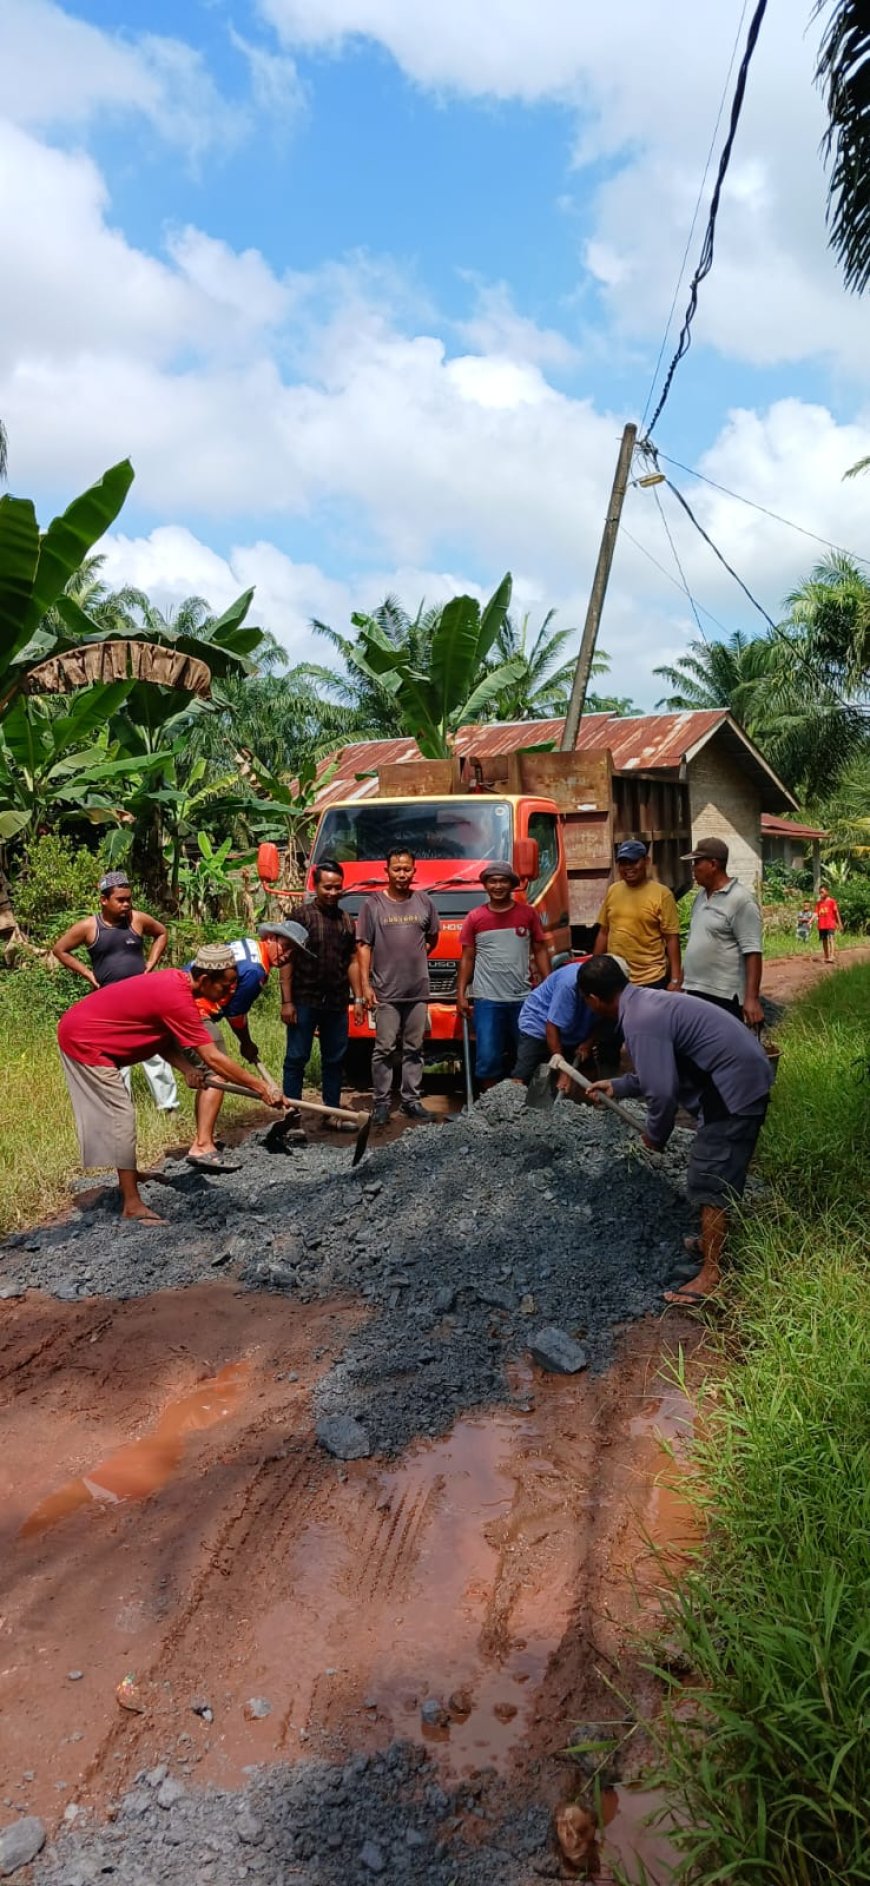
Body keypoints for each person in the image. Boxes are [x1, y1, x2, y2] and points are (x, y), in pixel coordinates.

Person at [579, 955, 774, 1305]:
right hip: (741, 1075)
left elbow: (663, 1092)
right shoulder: (647, 1003)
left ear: (593, 999)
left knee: (709, 1176)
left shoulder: (639, 1020)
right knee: (718, 1168)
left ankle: (712, 1276)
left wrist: (655, 1134)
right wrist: (618, 1086)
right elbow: (658, 1073)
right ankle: (709, 1241)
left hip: (734, 1086)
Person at [56, 945, 287, 1223]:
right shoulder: (177, 998)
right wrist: (262, 1088)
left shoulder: (179, 989)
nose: (229, 993)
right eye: (225, 987)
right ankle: (131, 1204)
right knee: (120, 1117)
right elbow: (213, 1059)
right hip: (84, 1040)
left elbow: (159, 1034)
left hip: (92, 1035)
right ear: (204, 981)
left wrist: (187, 1068)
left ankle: (129, 1174)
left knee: (122, 1116)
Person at [186, 924, 313, 1168]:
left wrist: (247, 1044)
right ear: (270, 937)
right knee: (217, 1074)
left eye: (292, 953)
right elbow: (235, 1014)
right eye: (285, 947)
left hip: (191, 1004)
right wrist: (246, 1043)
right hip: (195, 1010)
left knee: (209, 1077)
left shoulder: (249, 947)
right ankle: (202, 1146)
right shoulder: (255, 971)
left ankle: (203, 1138)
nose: (286, 955)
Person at [52, 871, 178, 1112]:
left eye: (128, 899)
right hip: (109, 1002)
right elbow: (60, 949)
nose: (126, 904)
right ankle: (122, 1108)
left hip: (142, 997)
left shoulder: (137, 920)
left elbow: (161, 932)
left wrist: (151, 964)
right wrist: (87, 974)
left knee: (156, 1049)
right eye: (120, 899)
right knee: (118, 1054)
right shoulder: (90, 927)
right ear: (103, 900)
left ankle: (169, 1108)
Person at [356, 848, 440, 1126]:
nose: (402, 874)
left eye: (407, 869)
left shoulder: (424, 902)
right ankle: (381, 1103)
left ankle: (411, 1101)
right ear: (387, 871)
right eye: (396, 869)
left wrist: (413, 959)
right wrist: (366, 985)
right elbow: (364, 946)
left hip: (417, 991)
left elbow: (432, 938)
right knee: (384, 1048)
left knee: (414, 1048)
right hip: (386, 992)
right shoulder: (373, 905)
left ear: (414, 871)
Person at [280, 859, 366, 1124]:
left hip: (336, 1002)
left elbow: (352, 960)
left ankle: (331, 1113)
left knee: (334, 1060)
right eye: (327, 887)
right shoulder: (301, 916)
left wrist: (359, 998)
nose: (332, 893)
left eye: (337, 887)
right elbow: (286, 959)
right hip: (304, 1000)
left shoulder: (345, 921)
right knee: (296, 1058)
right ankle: (290, 1117)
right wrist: (287, 1001)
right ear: (316, 886)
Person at [456, 864, 552, 1087]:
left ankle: (526, 1110)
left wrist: (549, 985)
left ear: (511, 884)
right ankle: (491, 1106)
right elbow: (467, 958)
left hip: (523, 998)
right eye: (492, 881)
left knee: (527, 1056)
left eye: (503, 881)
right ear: (485, 885)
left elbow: (540, 950)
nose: (497, 886)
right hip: (488, 999)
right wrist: (460, 993)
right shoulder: (475, 917)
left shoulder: (527, 914)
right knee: (488, 1057)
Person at [680, 837, 764, 1026]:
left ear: (713, 864)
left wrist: (752, 998)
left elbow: (753, 952)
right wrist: (682, 982)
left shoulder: (740, 900)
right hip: (696, 991)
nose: (693, 869)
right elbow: (696, 943)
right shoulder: (701, 897)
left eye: (697, 863)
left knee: (722, 1052)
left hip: (722, 995)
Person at [593, 840, 681, 990]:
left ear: (646, 861)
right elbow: (604, 932)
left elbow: (672, 939)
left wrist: (675, 979)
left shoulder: (662, 894)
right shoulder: (613, 890)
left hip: (650, 978)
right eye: (623, 863)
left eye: (633, 862)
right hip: (617, 976)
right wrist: (593, 968)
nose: (628, 868)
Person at [510, 960, 597, 1089]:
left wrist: (588, 1044)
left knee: (587, 1073)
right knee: (524, 1073)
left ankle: (591, 1103)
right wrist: (562, 1067)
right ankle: (512, 1100)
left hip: (576, 1026)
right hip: (540, 1021)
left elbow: (605, 1021)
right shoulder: (568, 985)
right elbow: (552, 1025)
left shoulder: (610, 989)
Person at [814, 887, 843, 963]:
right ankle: (826, 956)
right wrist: (810, 921)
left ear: (827, 892)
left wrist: (839, 923)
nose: (821, 894)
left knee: (831, 938)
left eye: (822, 892)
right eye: (820, 892)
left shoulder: (832, 901)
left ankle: (832, 956)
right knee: (824, 940)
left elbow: (836, 912)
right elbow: (816, 913)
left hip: (830, 923)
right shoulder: (819, 903)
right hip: (822, 924)